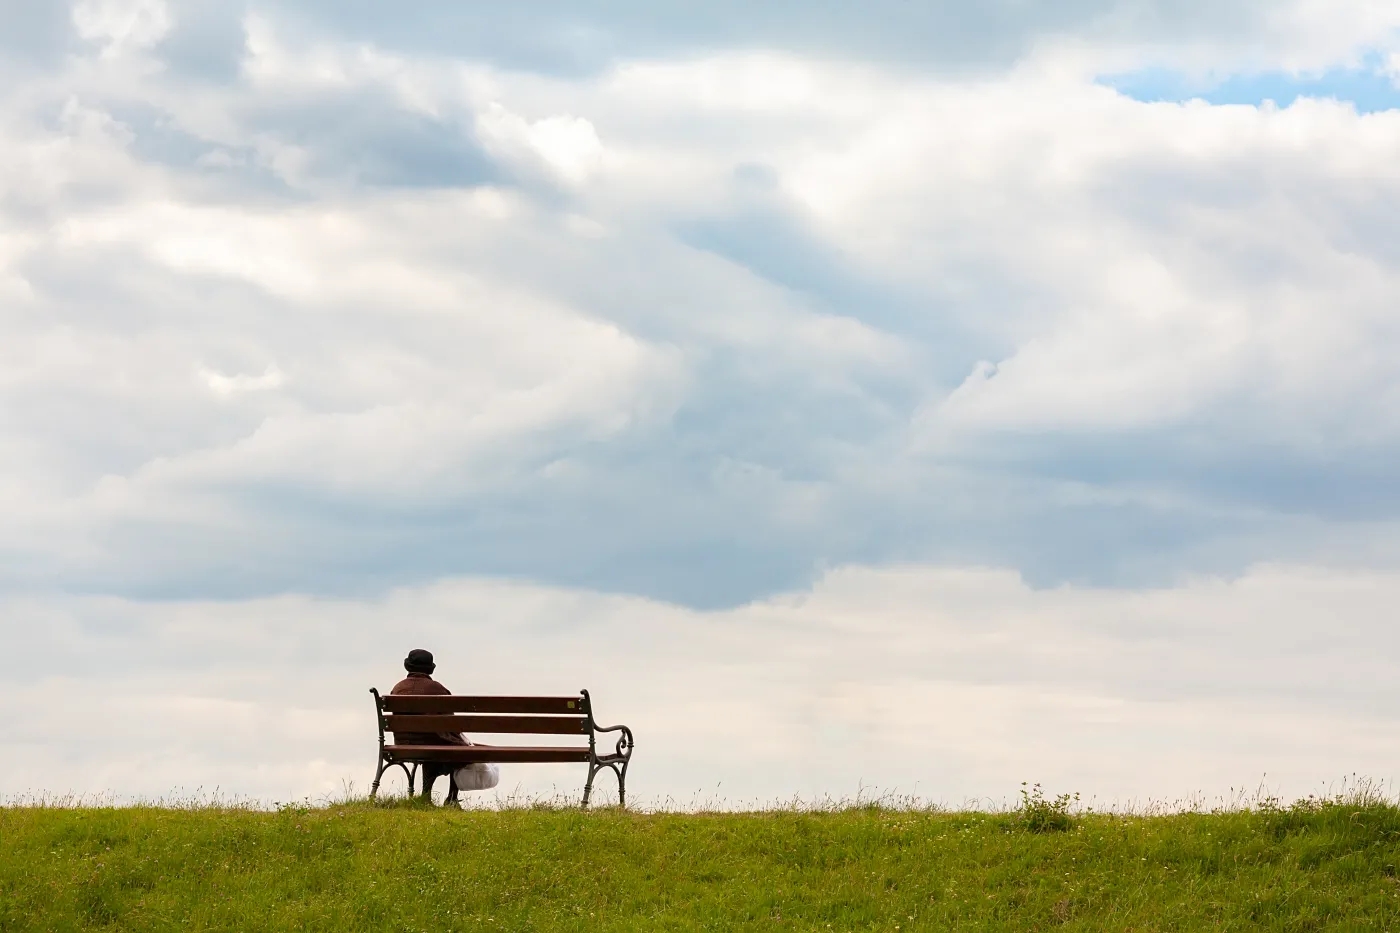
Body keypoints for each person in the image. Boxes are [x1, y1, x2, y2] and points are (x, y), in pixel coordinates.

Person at [389, 649, 498, 803]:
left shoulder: (398, 689)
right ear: (431, 669)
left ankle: (425, 796)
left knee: (432, 748)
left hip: (403, 745)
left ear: (407, 666)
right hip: (433, 744)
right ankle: (452, 799)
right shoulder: (437, 689)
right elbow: (450, 723)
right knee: (456, 748)